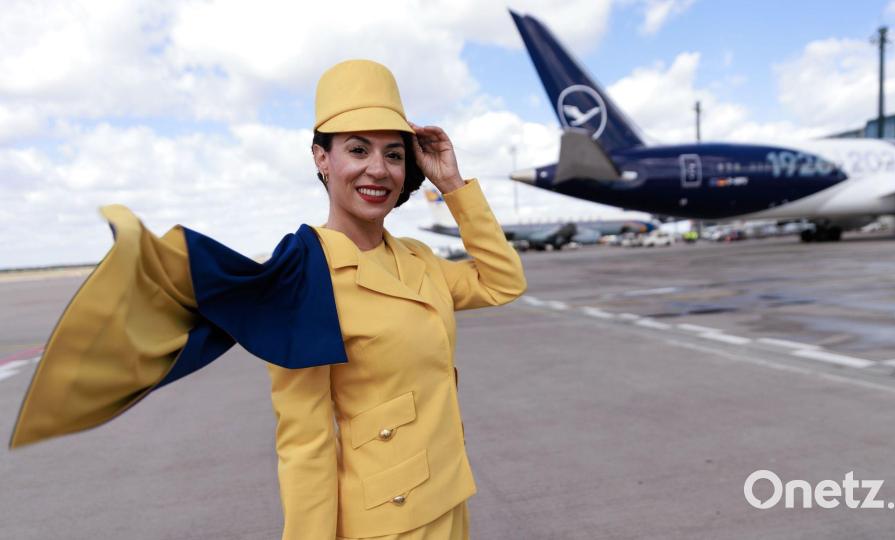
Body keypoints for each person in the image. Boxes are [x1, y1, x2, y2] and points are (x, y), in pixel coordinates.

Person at [9, 59, 526, 540]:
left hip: (451, 498)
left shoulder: (417, 260)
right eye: (358, 149)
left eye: (394, 154)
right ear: (322, 159)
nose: (379, 169)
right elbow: (305, 445)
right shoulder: (305, 280)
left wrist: (454, 185)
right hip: (384, 522)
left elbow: (503, 282)